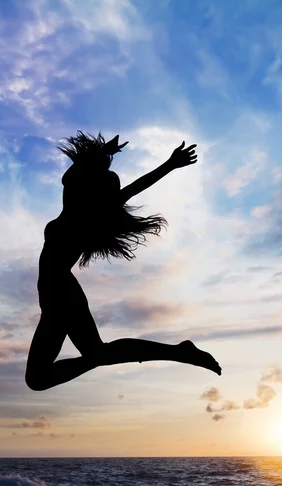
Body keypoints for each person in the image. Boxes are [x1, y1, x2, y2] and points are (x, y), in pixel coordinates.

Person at [25, 131, 221, 392]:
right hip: (57, 292)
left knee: (43, 376)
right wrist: (104, 152)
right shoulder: (73, 202)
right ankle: (180, 352)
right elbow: (74, 174)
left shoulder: (87, 212)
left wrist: (169, 165)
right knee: (84, 359)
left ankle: (179, 352)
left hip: (60, 290)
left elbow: (133, 186)